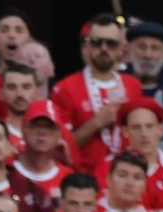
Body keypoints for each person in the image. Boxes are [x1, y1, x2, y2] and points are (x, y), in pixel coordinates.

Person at [52, 13, 143, 174]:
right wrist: (96, 123)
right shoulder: (65, 88)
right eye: (97, 43)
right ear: (86, 46)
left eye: (111, 44)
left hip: (125, 179)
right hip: (83, 181)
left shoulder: (133, 85)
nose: (104, 49)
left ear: (122, 48)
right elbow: (58, 147)